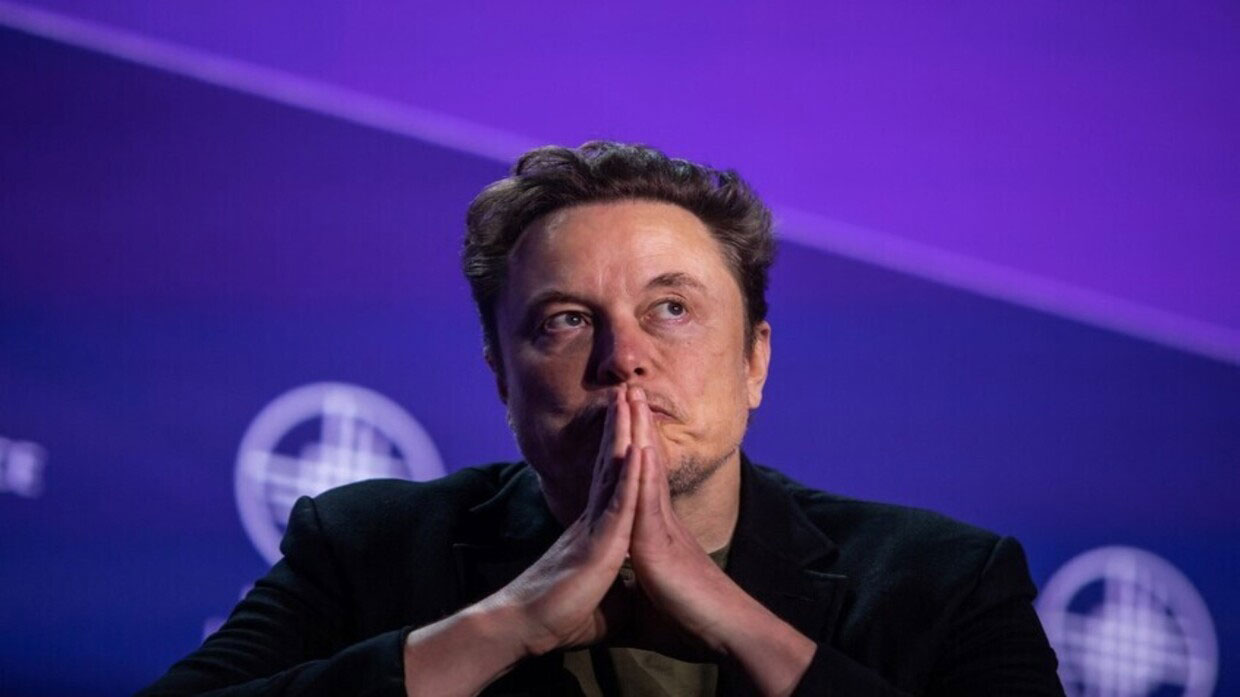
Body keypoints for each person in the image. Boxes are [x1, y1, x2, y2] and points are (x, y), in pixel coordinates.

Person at [139, 142, 1065, 696]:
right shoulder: (364, 547)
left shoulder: (944, 582)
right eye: (567, 321)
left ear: (755, 361)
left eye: (672, 308)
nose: (624, 356)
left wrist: (736, 621)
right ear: (501, 377)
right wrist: (510, 622)